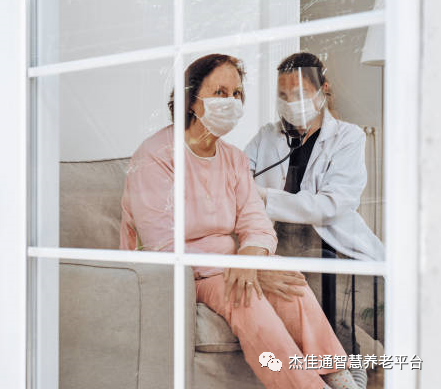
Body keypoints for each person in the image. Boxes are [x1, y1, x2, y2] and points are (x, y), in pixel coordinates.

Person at [120, 53, 359, 389]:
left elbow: (256, 222)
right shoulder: (156, 157)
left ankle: (340, 377)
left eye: (236, 93)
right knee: (246, 296)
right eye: (220, 92)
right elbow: (164, 246)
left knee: (291, 284)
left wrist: (253, 260)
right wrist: (246, 269)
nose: (231, 101)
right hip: (181, 273)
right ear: (191, 99)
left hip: (231, 264)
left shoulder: (233, 158)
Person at [245, 52, 384, 262]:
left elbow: (329, 207)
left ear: (323, 89)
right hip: (274, 242)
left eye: (299, 94)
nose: (290, 102)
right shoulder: (267, 135)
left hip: (331, 245)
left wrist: (263, 196)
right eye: (283, 95)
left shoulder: (348, 137)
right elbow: (236, 181)